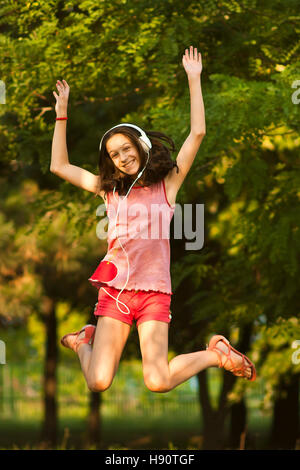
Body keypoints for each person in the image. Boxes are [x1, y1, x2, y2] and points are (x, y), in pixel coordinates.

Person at [51, 46, 256, 393]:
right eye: (114, 154)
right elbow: (60, 166)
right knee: (98, 381)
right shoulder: (109, 190)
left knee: (158, 381)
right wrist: (62, 114)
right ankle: (83, 341)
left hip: (153, 293)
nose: (122, 157)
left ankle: (216, 354)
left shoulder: (168, 185)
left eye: (127, 149)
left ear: (141, 145)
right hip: (116, 292)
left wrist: (194, 79)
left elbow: (198, 134)